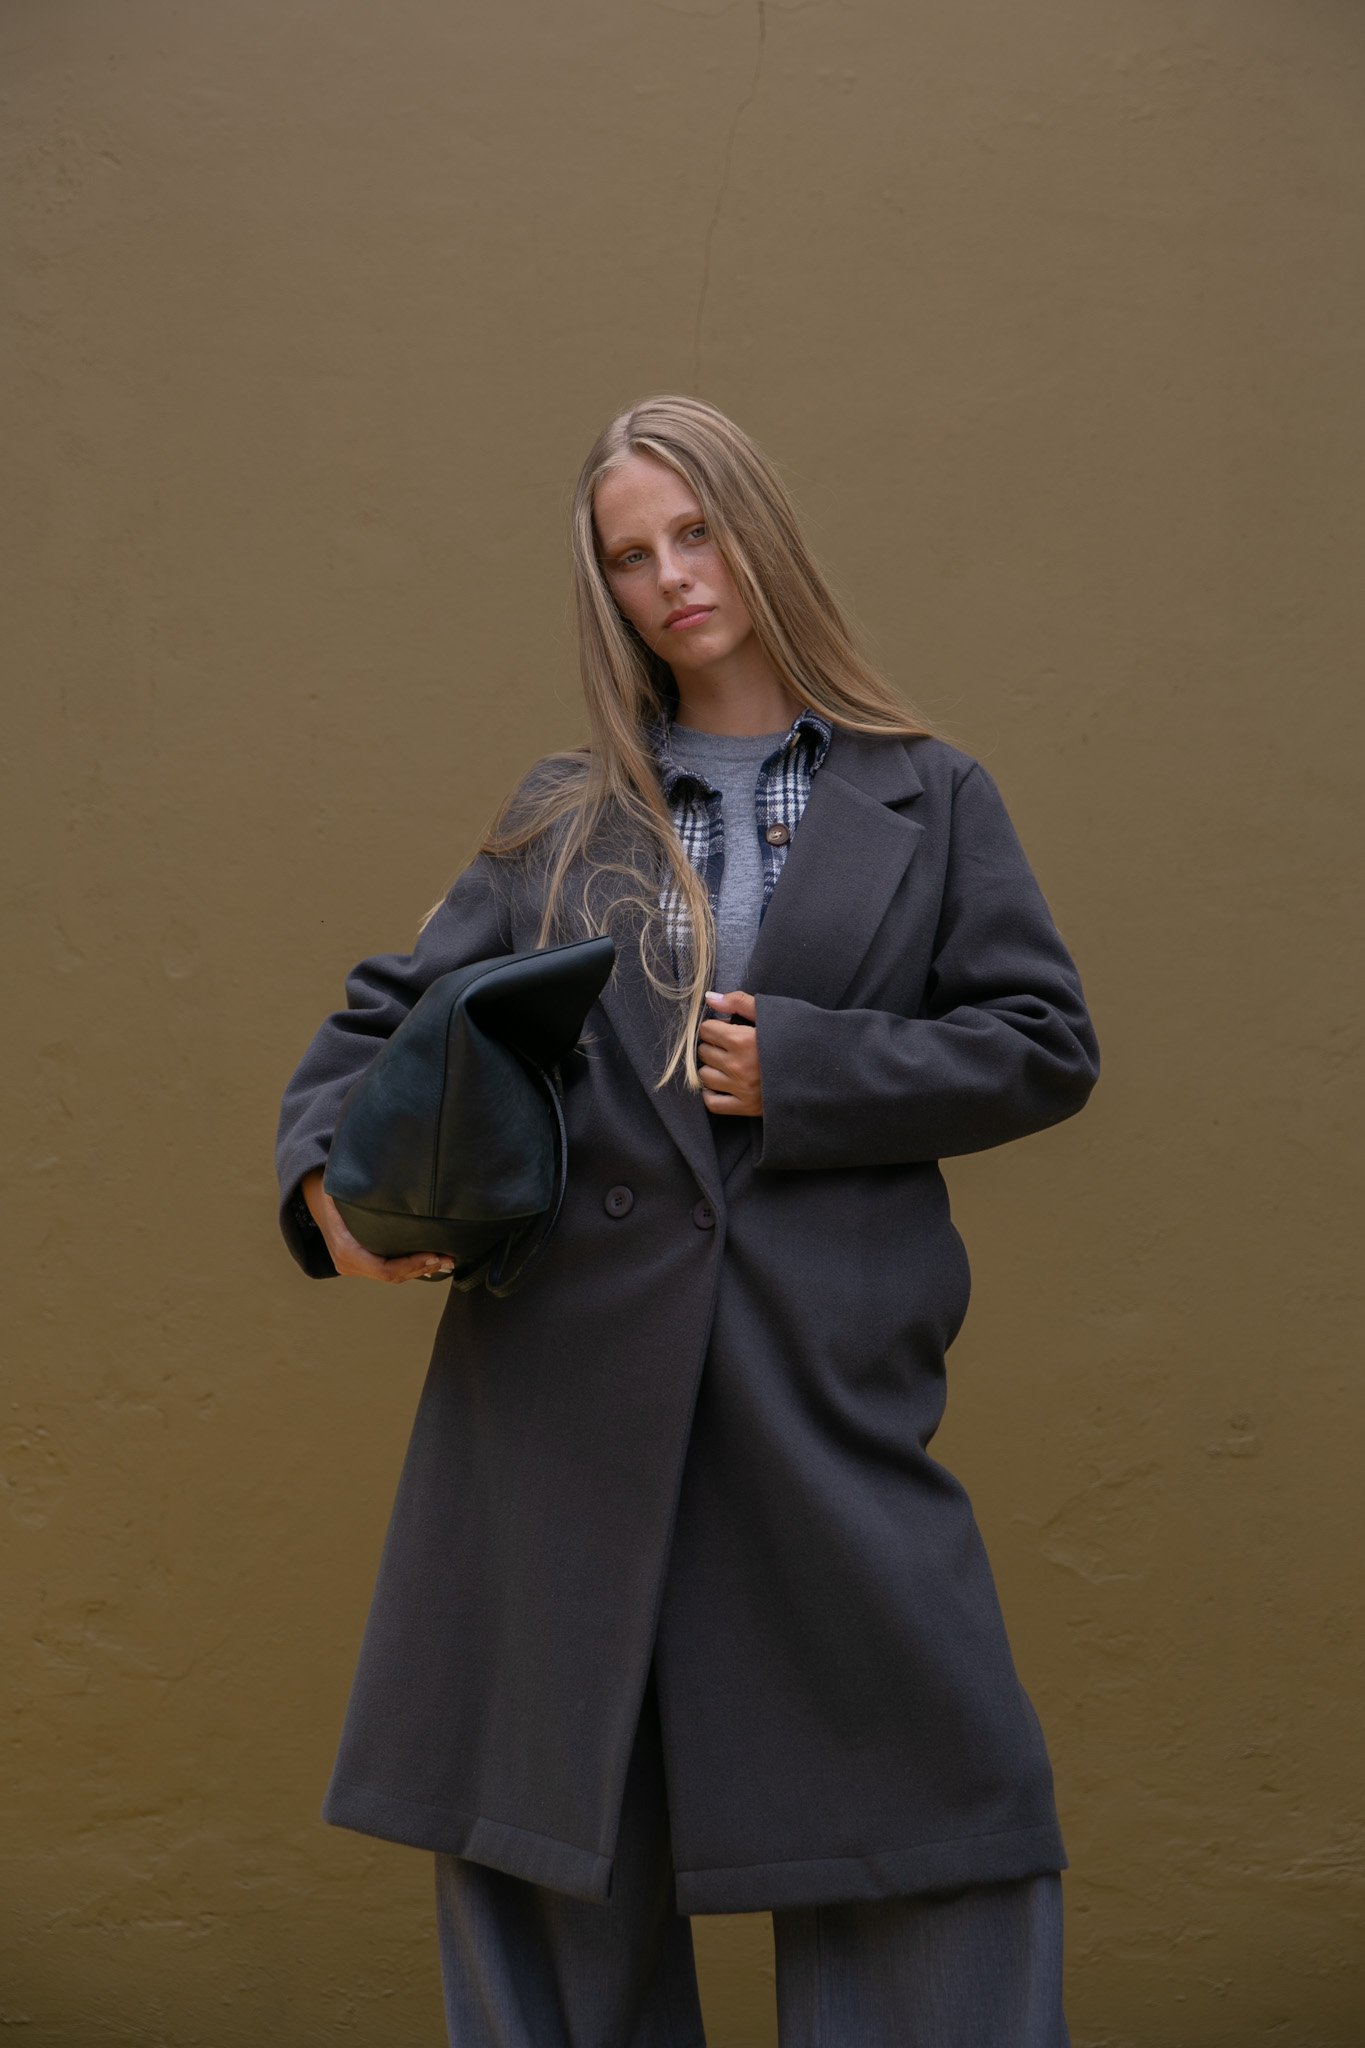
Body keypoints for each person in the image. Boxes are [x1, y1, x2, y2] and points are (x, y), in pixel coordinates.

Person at [274, 393, 1101, 2046]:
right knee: (553, 1863)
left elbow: (1041, 1044)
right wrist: (329, 1194)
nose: (670, 577)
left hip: (819, 1395)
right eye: (629, 554)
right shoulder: (564, 811)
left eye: (695, 532)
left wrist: (808, 1066)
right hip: (557, 1412)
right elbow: (379, 1026)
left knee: (926, 1836)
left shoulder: (929, 795)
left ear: (756, 533)